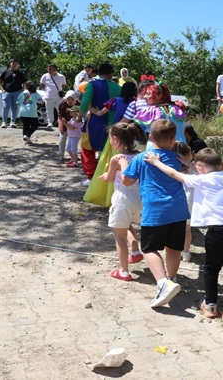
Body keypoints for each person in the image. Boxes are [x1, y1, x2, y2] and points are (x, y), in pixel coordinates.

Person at [144, 147, 223, 326]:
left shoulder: (201, 180)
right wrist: (188, 163)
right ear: (222, 165)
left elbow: (174, 174)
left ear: (199, 169)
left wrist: (156, 162)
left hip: (218, 232)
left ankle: (211, 305)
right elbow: (205, 169)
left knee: (211, 269)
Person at [122, 120, 190, 308]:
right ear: (173, 139)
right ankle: (172, 278)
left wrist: (121, 165)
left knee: (149, 249)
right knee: (173, 248)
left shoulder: (142, 158)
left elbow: (127, 181)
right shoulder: (177, 158)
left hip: (155, 211)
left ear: (150, 137)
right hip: (178, 210)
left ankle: (163, 283)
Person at [98, 122, 146, 281]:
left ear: (116, 140)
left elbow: (111, 178)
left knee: (119, 236)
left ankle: (123, 271)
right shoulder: (141, 155)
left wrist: (105, 176)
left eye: (110, 138)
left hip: (123, 197)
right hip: (139, 197)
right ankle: (136, 251)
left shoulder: (117, 159)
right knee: (127, 224)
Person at [79, 63, 122, 185]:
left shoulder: (92, 85)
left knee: (87, 148)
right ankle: (109, 176)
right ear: (111, 74)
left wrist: (79, 116)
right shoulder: (118, 87)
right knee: (108, 150)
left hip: (95, 121)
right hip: (114, 122)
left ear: (99, 73)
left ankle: (91, 177)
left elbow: (85, 101)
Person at [173, 142, 196, 262]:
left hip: (175, 200)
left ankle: (174, 251)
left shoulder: (172, 168)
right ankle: (186, 253)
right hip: (189, 201)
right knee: (187, 229)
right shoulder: (193, 168)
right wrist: (188, 163)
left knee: (174, 228)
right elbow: (204, 172)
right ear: (186, 156)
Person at [0, 59, 27, 128]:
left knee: (15, 107)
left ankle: (13, 122)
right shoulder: (6, 72)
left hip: (17, 92)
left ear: (18, 65)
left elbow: (25, 82)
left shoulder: (20, 73)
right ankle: (4, 122)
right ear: (10, 64)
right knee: (5, 107)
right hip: (7, 92)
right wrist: (2, 89)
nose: (14, 65)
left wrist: (22, 89)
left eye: (16, 64)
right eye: (13, 63)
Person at [39, 64, 66, 129]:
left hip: (58, 97)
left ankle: (62, 122)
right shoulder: (45, 76)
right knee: (49, 110)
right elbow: (42, 84)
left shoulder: (61, 76)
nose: (49, 70)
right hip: (48, 96)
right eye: (48, 69)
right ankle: (50, 123)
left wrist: (58, 90)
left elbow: (63, 85)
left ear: (55, 69)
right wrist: (47, 90)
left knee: (60, 110)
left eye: (50, 69)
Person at [57, 91, 80, 161]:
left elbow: (81, 114)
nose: (70, 101)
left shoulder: (79, 103)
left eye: (72, 99)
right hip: (64, 120)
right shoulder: (63, 104)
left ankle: (74, 156)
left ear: (75, 99)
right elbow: (60, 114)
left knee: (74, 139)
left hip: (75, 121)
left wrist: (77, 121)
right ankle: (61, 154)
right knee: (62, 136)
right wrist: (64, 122)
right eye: (68, 99)